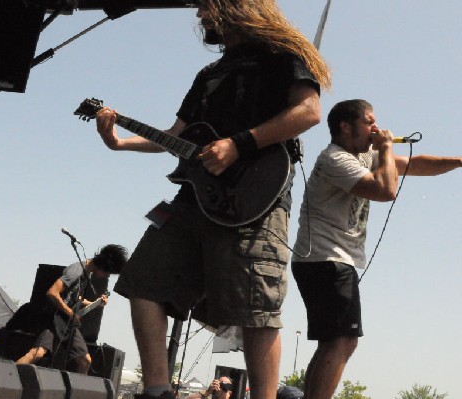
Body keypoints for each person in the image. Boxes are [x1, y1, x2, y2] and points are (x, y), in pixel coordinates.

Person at [94, 1, 331, 398]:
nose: (200, 15)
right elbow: (177, 136)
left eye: (207, 6)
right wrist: (118, 142)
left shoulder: (281, 57)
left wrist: (239, 145)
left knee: (258, 311)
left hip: (255, 201)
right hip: (194, 198)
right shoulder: (209, 74)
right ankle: (157, 391)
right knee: (143, 283)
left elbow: (308, 112)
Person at [290, 99, 462, 399]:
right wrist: (384, 148)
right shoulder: (335, 158)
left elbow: (414, 164)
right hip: (326, 258)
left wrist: (460, 161)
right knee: (343, 340)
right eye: (369, 121)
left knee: (335, 340)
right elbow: (385, 190)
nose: (377, 128)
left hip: (325, 260)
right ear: (345, 126)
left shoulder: (364, 156)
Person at [15, 244, 128, 373]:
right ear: (103, 266)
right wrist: (70, 313)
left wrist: (95, 303)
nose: (106, 276)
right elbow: (52, 293)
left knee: (85, 361)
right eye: (108, 272)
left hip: (66, 322)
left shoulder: (86, 274)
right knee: (37, 354)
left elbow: (74, 297)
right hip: (54, 319)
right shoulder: (76, 270)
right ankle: (9, 377)